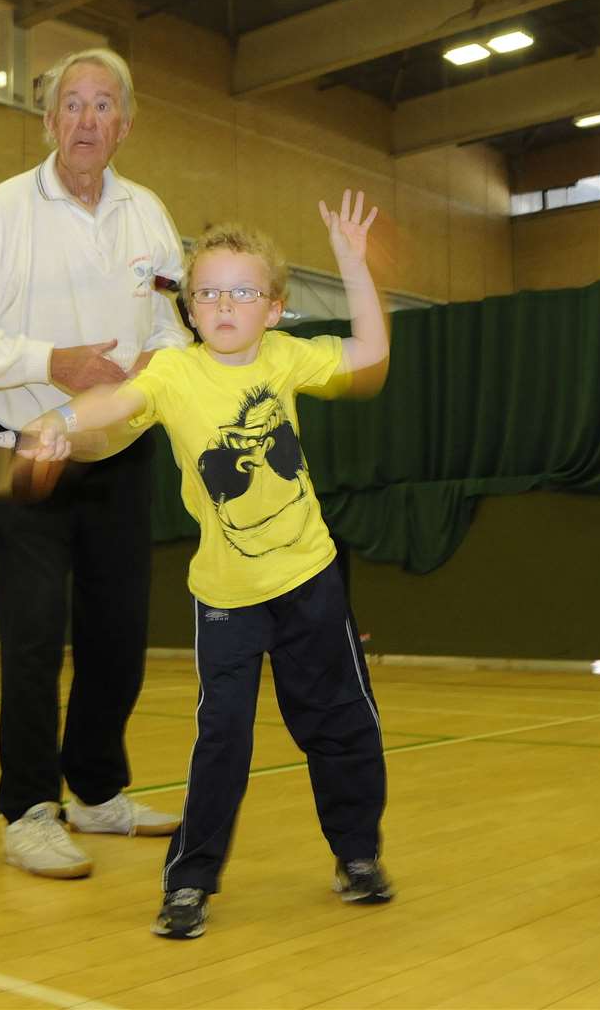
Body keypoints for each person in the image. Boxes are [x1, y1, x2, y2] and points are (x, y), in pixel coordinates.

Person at [22, 190, 392, 939]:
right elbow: (112, 404)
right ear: (189, 309)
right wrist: (58, 421)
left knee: (339, 724)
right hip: (226, 596)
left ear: (275, 308)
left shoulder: (288, 359)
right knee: (222, 737)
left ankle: (356, 855)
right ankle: (190, 882)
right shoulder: (173, 376)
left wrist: (353, 264)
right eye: (209, 292)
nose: (223, 303)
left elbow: (370, 357)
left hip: (310, 582)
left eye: (242, 291)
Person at [0, 48, 189, 880]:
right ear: (47, 122)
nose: (85, 119)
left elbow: (171, 328)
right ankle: (28, 809)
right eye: (71, 104)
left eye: (102, 105)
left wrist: (158, 367)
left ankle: (97, 792)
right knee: (35, 638)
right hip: (28, 454)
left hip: (122, 455)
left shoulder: (149, 214)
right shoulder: (3, 212)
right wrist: (51, 360)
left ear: (125, 125)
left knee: (120, 638)